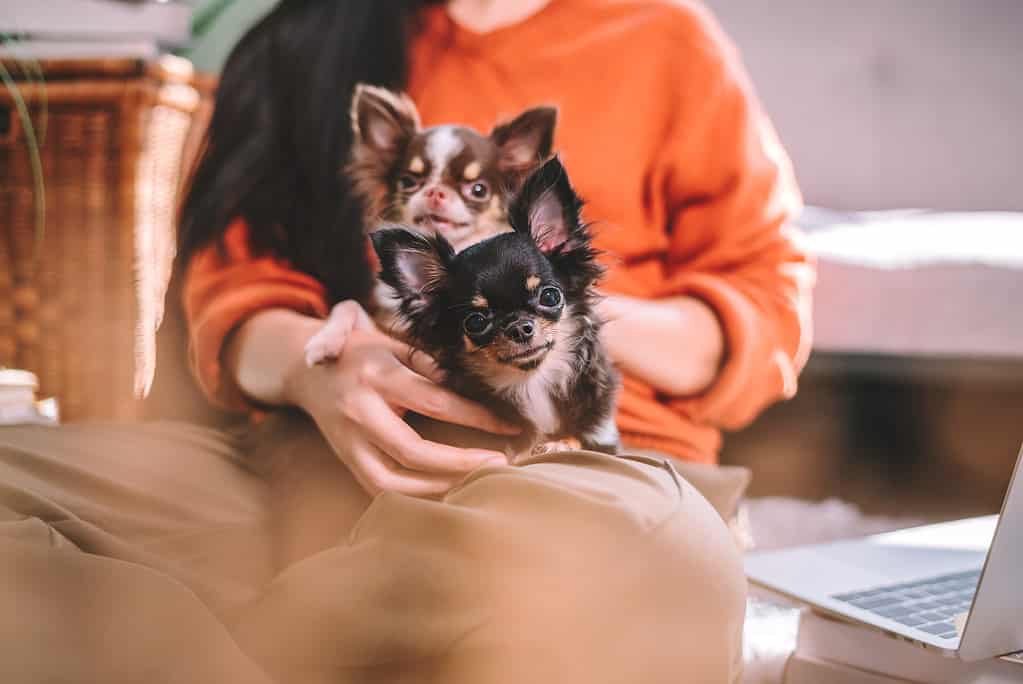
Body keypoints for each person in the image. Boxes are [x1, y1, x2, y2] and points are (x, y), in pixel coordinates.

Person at [0, 0, 812, 682]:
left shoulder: (664, 38)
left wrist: (542, 308)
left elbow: (765, 307)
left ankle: (227, 631)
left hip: (569, 471)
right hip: (301, 457)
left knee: (645, 551)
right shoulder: (307, 40)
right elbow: (234, 291)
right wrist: (322, 368)